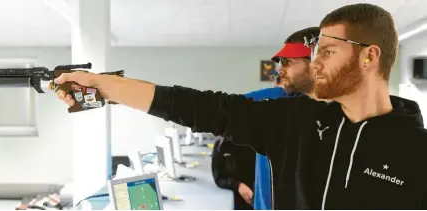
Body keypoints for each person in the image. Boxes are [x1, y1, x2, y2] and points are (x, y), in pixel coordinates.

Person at [52, 3, 427, 209]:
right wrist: (104, 85)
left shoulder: (417, 151)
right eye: (313, 54)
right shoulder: (294, 120)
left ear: (369, 57)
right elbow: (201, 107)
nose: (315, 65)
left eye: (327, 52)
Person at [248, 26, 320, 210]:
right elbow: (214, 107)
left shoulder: (342, 113)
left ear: (315, 61)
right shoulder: (271, 99)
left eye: (287, 62)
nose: (280, 70)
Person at [211, 137, 256, 210]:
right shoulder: (221, 146)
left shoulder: (257, 145)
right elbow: (219, 178)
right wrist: (238, 185)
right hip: (236, 198)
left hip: (260, 196)